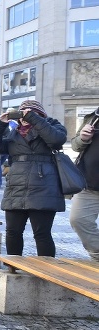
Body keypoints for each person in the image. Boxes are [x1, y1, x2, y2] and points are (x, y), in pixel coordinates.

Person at [0, 99, 67, 257]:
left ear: (40, 114)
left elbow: (56, 140)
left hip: (44, 186)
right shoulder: (15, 131)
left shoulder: (53, 126)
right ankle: (14, 269)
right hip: (16, 186)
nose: (25, 117)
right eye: (23, 113)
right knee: (12, 232)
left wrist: (33, 118)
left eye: (31, 113)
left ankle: (45, 272)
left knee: (42, 233)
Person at [69, 107, 99, 261]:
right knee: (79, 219)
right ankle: (97, 254)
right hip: (89, 183)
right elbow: (75, 145)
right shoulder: (94, 116)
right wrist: (83, 138)